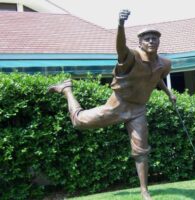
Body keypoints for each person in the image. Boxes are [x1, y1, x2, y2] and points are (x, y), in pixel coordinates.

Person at [48, 9, 176, 200]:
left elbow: (154, 77)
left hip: (138, 110)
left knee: (141, 150)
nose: (151, 41)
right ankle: (67, 89)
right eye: (147, 38)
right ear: (140, 42)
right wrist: (121, 25)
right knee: (79, 122)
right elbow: (120, 47)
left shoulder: (164, 63)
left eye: (154, 38)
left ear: (159, 42)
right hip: (118, 105)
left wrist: (169, 93)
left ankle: (144, 191)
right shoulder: (131, 57)